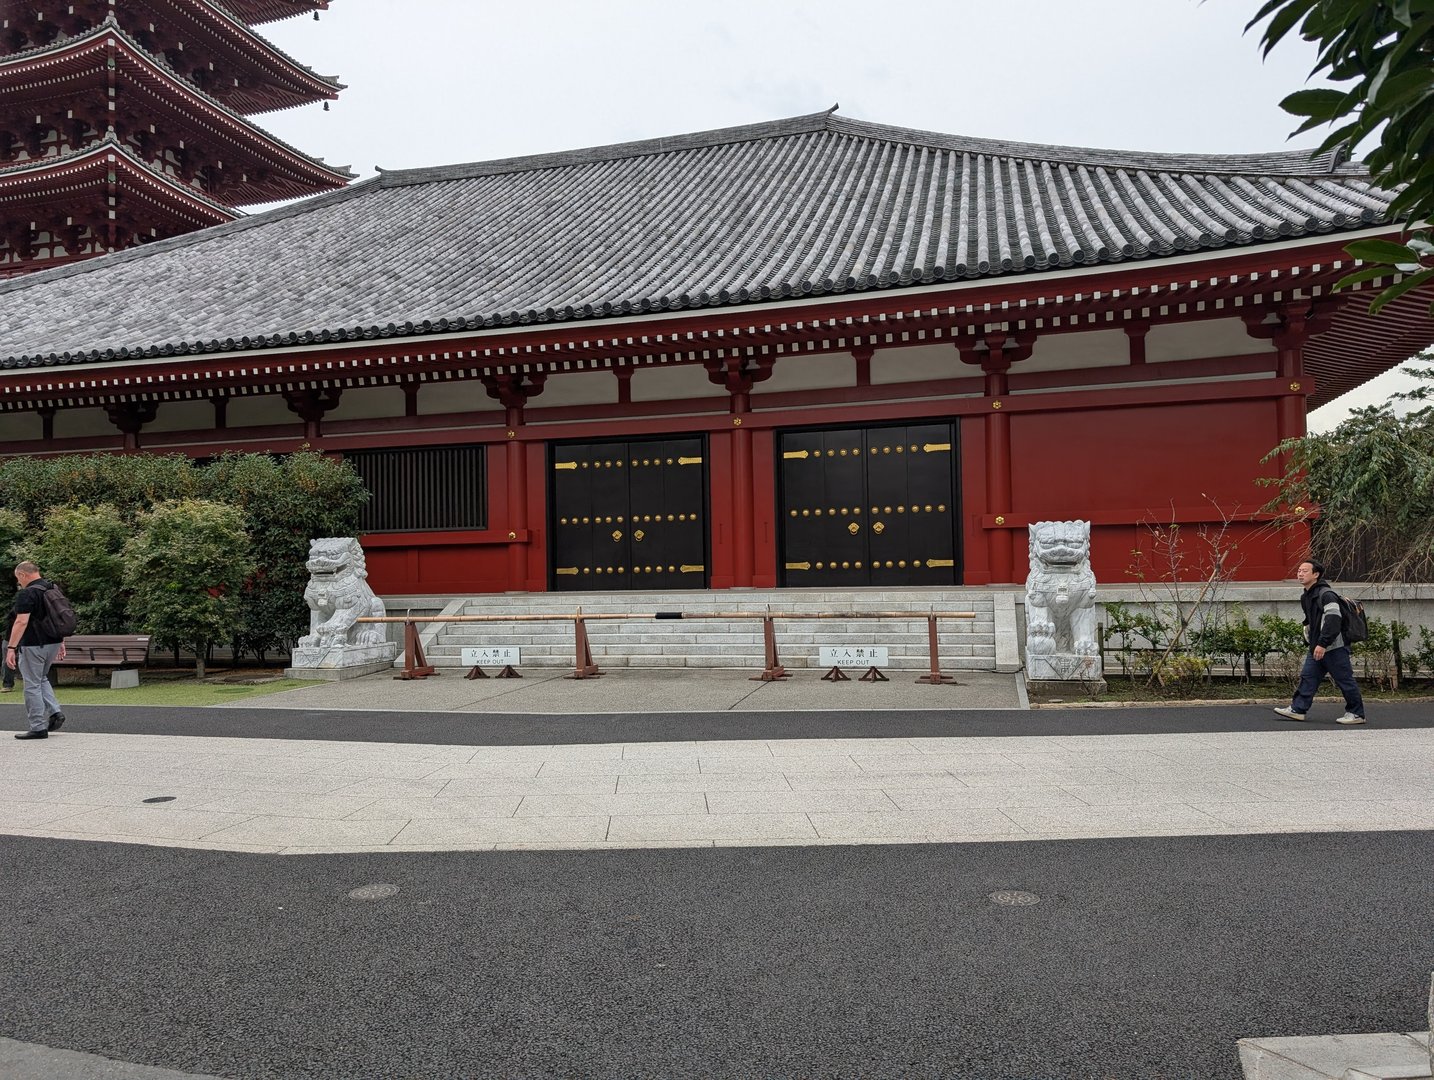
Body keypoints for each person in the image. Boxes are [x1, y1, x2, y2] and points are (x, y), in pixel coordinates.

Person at [1273, 559, 1365, 726]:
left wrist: (1323, 643)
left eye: (1305, 571)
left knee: (1344, 680)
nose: (1300, 573)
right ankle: (1298, 709)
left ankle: (1356, 713)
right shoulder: (1306, 596)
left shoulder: (1327, 595)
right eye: (1299, 570)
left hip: (1334, 647)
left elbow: (1333, 620)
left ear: (1316, 574)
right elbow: (1310, 621)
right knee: (1308, 677)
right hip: (1317, 646)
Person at [6, 561, 67, 740]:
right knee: (41, 679)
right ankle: (55, 711)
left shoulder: (28, 593)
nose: (19, 583)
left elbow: (21, 621)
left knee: (31, 684)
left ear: (23, 575)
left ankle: (38, 727)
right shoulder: (52, 589)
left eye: (19, 579)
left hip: (34, 644)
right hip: (53, 642)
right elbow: (58, 616)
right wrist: (61, 640)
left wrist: (11, 647)